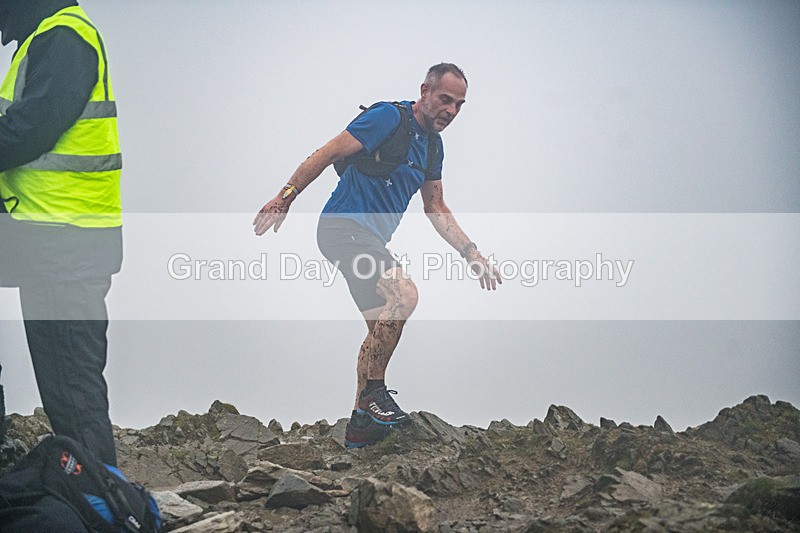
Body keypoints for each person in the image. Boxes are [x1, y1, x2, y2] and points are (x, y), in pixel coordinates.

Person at [254, 63, 502, 448]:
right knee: (404, 295)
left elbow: (435, 206)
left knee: (379, 332)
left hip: (369, 240)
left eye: (459, 105)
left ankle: (360, 425)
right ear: (425, 91)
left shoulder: (432, 146)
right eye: (445, 99)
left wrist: (471, 252)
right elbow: (325, 153)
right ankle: (374, 395)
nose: (451, 111)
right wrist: (285, 198)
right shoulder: (388, 117)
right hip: (342, 227)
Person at [0, 0, 123, 466]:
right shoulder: (48, 35)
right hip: (47, 237)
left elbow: (30, 130)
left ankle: (105, 499)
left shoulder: (64, 37)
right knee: (65, 385)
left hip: (68, 242)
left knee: (72, 387)